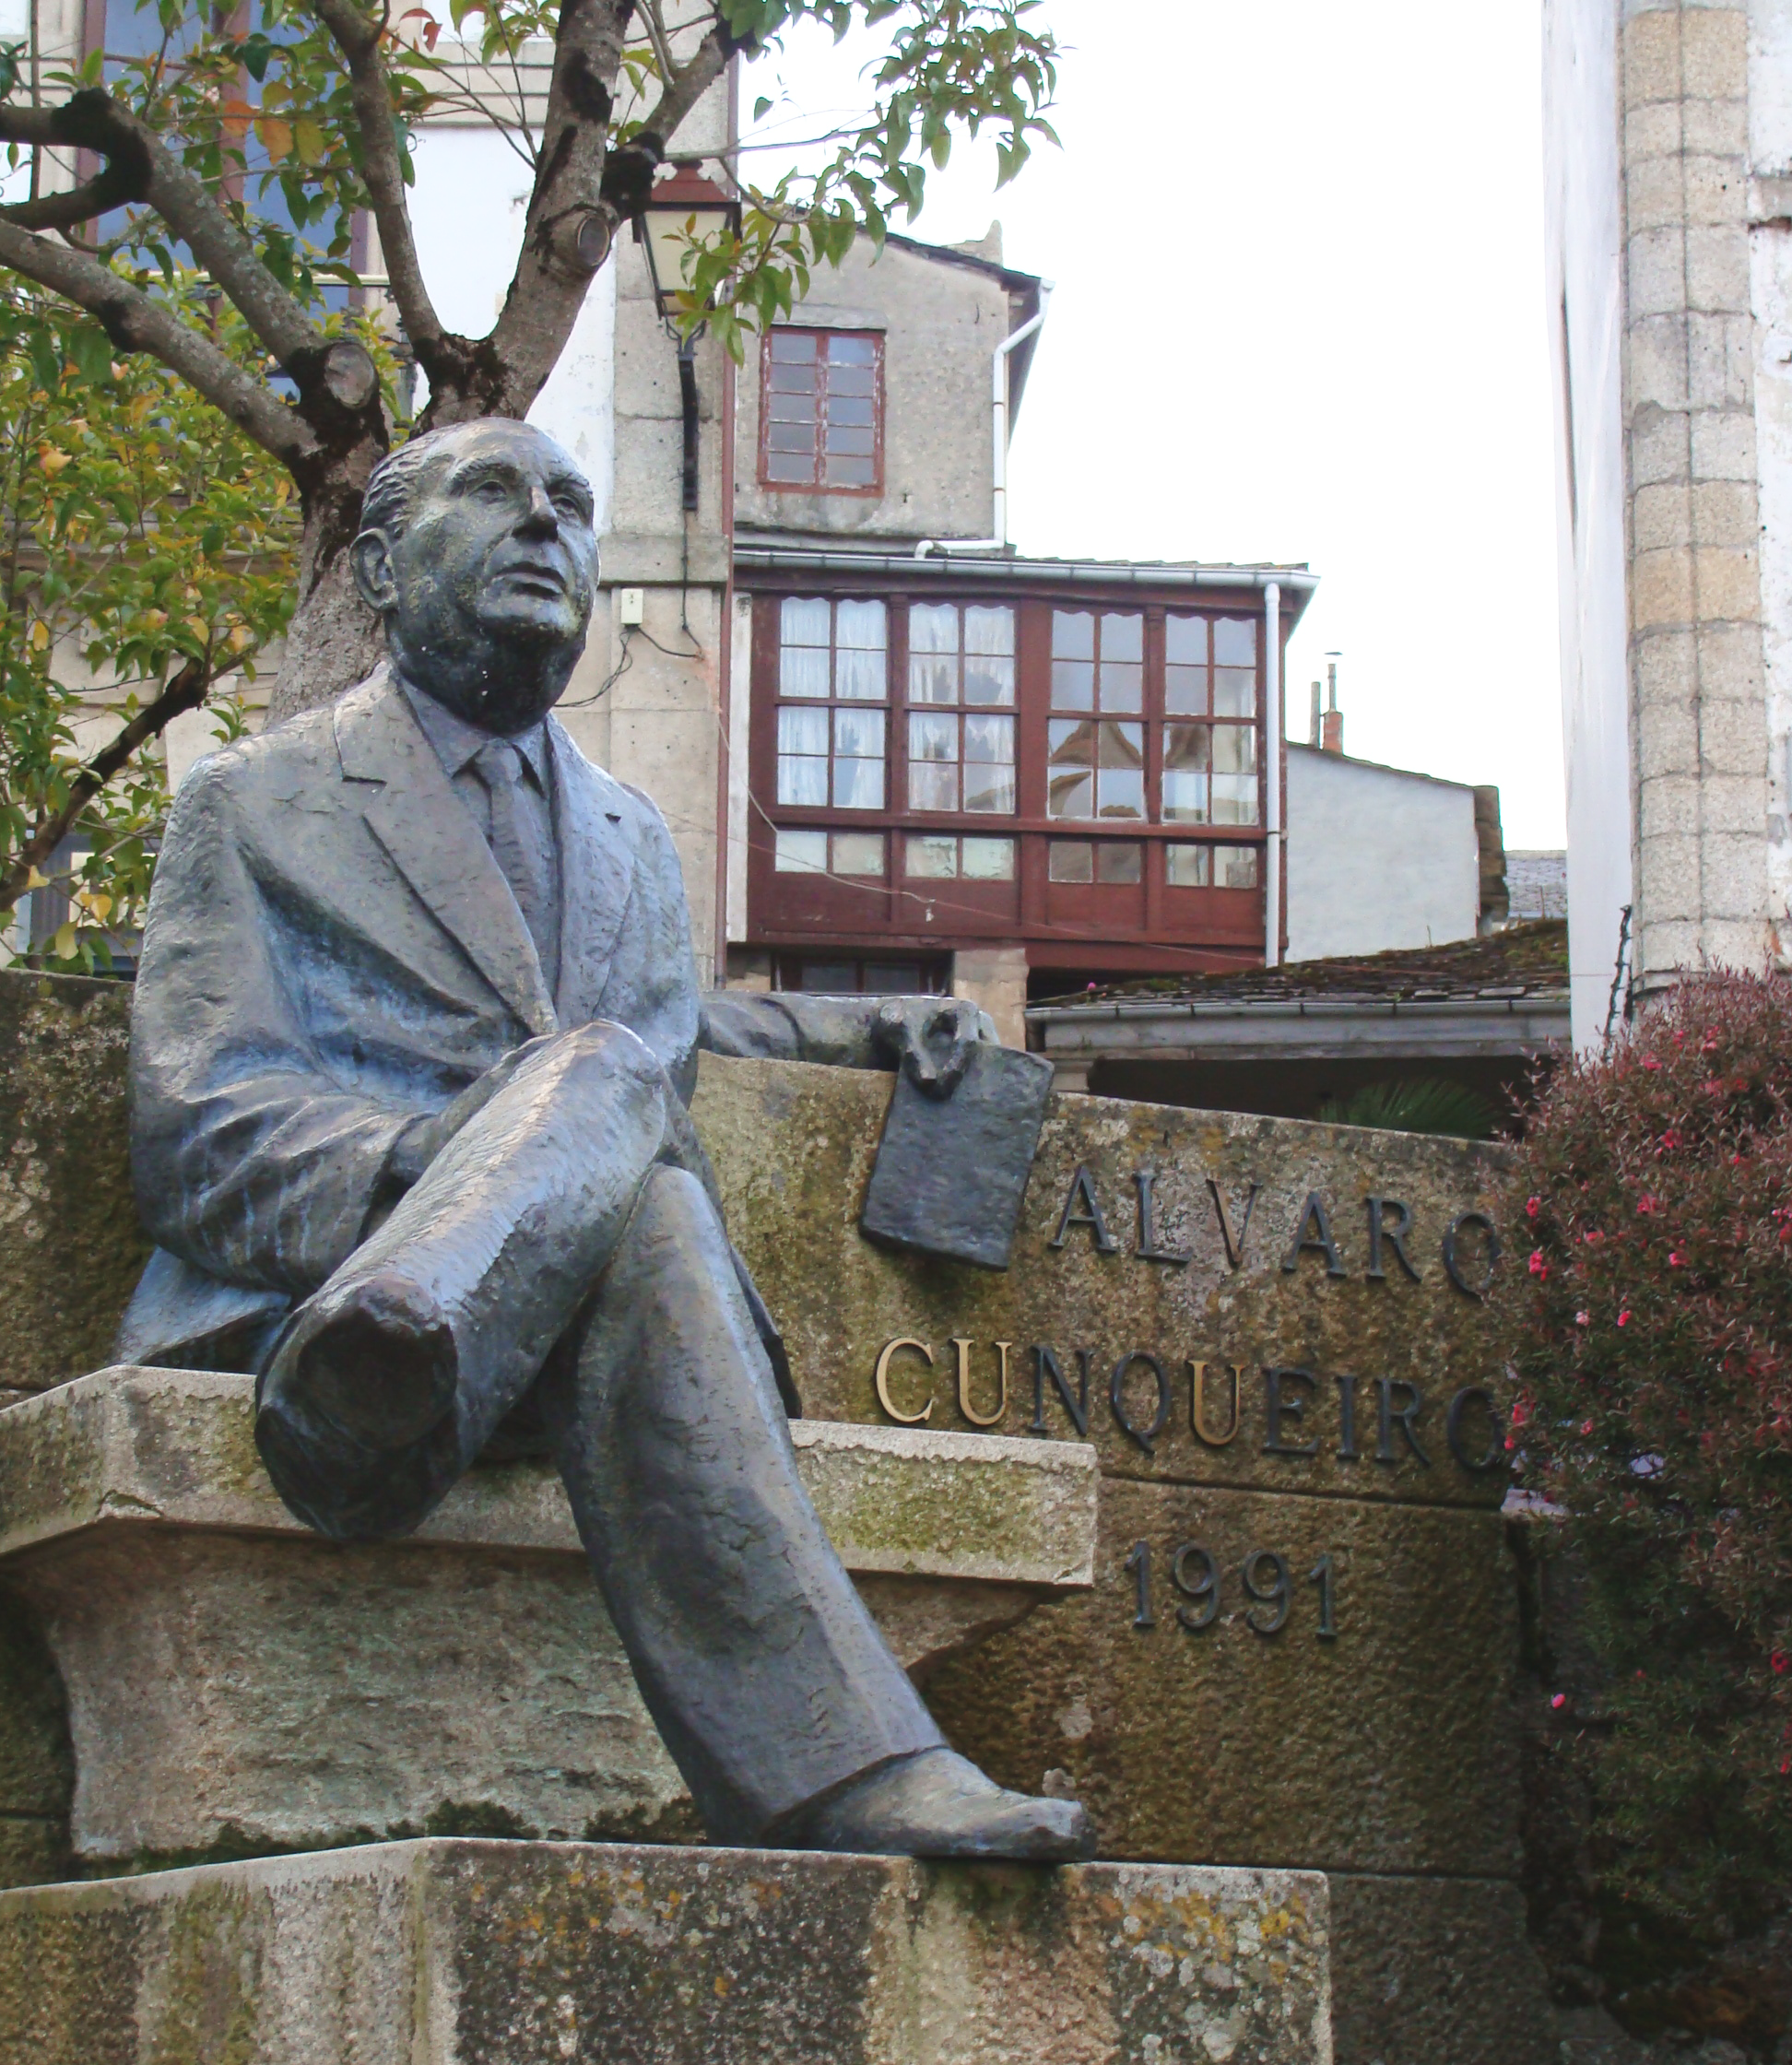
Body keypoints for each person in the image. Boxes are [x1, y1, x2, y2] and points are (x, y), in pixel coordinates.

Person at [118, 416, 1091, 1864]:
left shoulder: (631, 832)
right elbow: (196, 1121)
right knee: (617, 1139)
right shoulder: (256, 799)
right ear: (379, 566)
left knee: (610, 1101)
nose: (544, 525)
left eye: (572, 505)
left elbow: (675, 1039)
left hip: (520, 1343)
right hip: (315, 1291)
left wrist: (877, 1025)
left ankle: (405, 1356)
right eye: (494, 494)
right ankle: (849, 1773)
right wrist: (438, 1166)